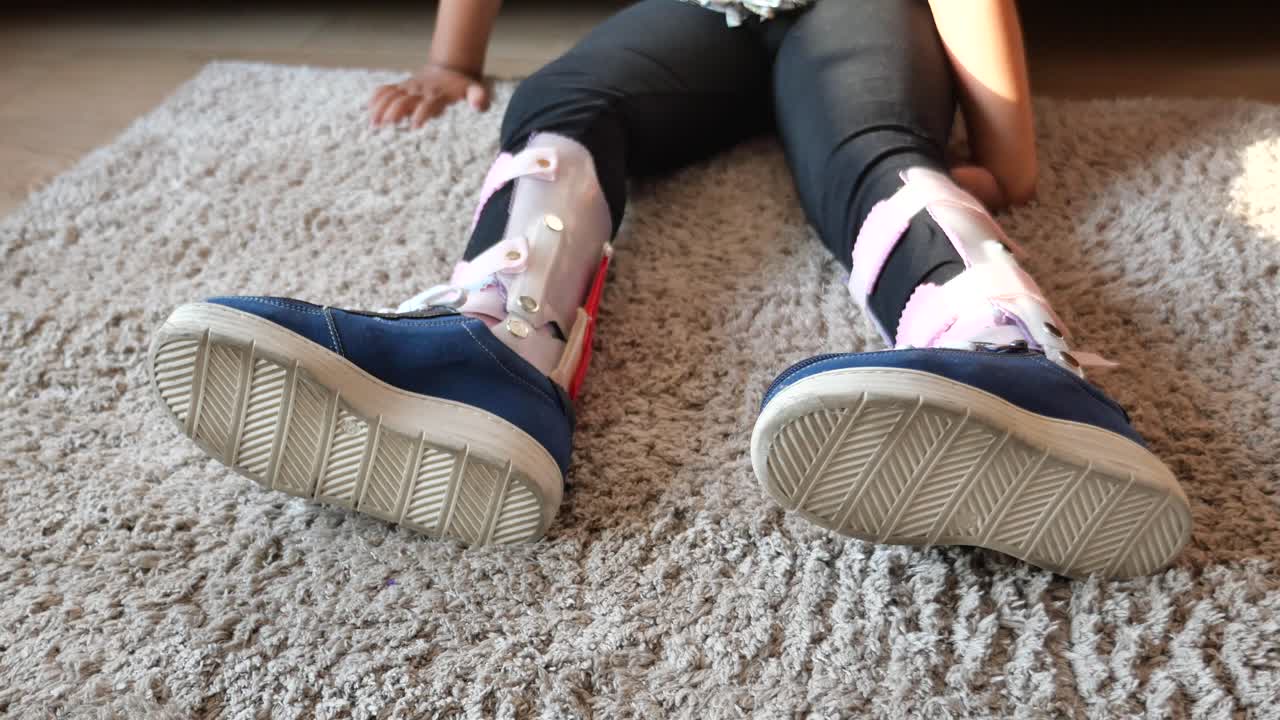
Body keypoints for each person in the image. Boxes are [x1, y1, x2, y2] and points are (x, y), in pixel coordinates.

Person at [149, 0, 1191, 577]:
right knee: (565, 99)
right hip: (701, 13)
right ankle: (495, 346)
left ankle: (1009, 352)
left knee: (868, 149)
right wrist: (450, 57)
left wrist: (1008, 157)